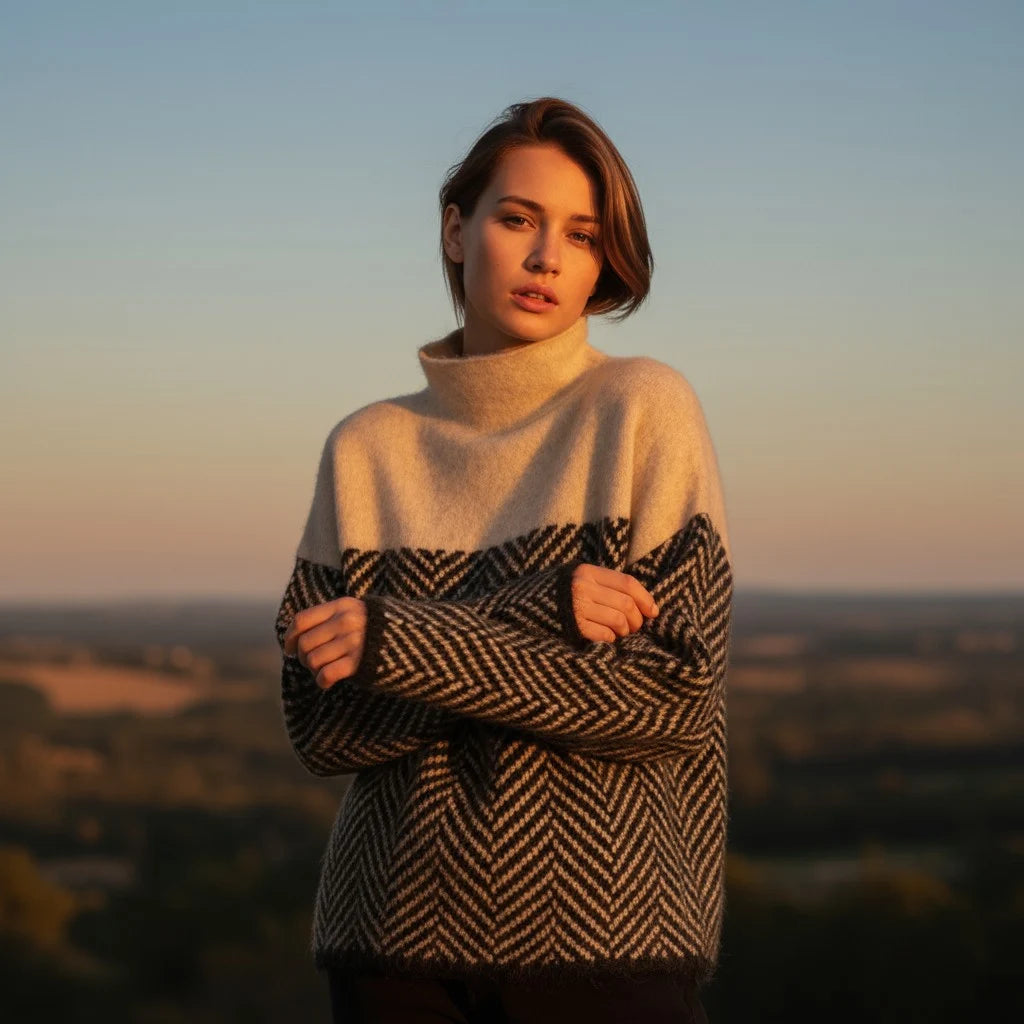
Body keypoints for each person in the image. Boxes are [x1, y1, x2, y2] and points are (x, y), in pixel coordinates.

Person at [275, 96, 733, 1023]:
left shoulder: (643, 408)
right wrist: (540, 611)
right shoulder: (367, 447)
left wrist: (395, 638)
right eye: (518, 219)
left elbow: (669, 695)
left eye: (582, 234)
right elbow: (323, 727)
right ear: (457, 229)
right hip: (390, 941)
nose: (545, 258)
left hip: (612, 943)